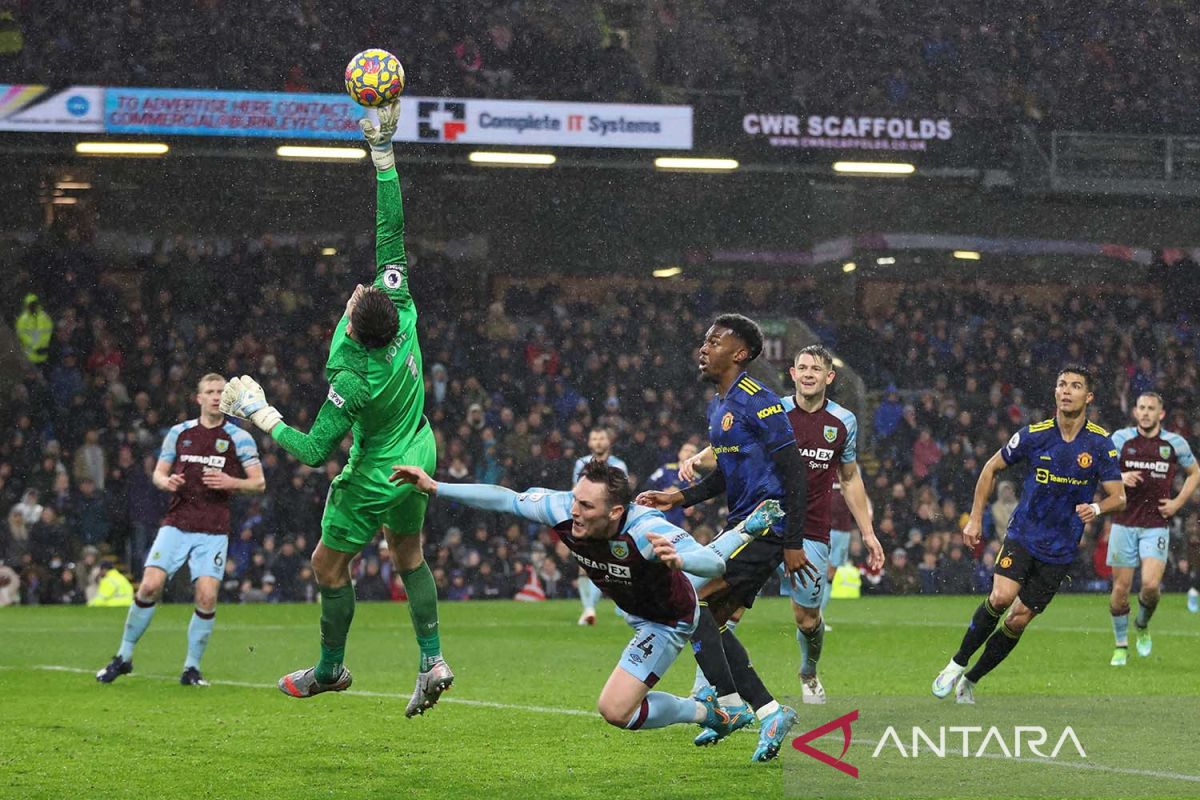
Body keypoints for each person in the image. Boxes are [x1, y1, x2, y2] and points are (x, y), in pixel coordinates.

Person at [220, 101, 450, 717]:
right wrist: (383, 155)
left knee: (326, 565)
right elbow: (391, 230)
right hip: (420, 447)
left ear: (353, 319)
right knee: (409, 556)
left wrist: (260, 413)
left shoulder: (353, 375)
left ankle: (329, 669)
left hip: (377, 470)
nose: (359, 287)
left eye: (357, 295)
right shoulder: (400, 312)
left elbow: (315, 450)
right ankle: (432, 658)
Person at [390, 459, 783, 737]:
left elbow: (713, 565)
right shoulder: (562, 507)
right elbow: (504, 498)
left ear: (614, 512)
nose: (574, 511)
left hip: (666, 620)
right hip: (633, 608)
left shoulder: (647, 529)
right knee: (618, 711)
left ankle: (709, 711)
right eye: (575, 500)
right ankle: (712, 712)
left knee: (614, 710)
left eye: (586, 506)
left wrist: (679, 558)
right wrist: (435, 486)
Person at [637, 313, 816, 762]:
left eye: (715, 342)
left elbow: (795, 472)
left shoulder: (760, 401)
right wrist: (680, 496)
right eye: (705, 340)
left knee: (689, 601)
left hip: (767, 527)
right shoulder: (719, 406)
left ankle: (732, 704)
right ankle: (768, 710)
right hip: (741, 527)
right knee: (708, 621)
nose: (704, 347)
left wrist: (792, 541)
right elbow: (730, 476)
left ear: (740, 354)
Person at [680, 344, 883, 707]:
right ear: (792, 374)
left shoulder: (843, 422)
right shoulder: (774, 410)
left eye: (815, 369)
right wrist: (700, 457)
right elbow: (733, 445)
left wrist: (867, 533)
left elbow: (849, 478)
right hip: (761, 523)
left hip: (810, 532)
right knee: (723, 605)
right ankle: (710, 685)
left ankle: (808, 670)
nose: (807, 374)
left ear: (829, 377)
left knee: (806, 618)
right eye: (801, 367)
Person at [932, 365, 1125, 704]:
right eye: (1061, 384)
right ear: (1055, 391)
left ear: (1088, 396)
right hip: (1024, 535)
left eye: (1075, 386)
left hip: (1062, 549)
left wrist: (1096, 510)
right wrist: (975, 519)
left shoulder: (1099, 443)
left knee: (1018, 620)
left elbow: (1119, 497)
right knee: (1001, 598)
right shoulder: (1034, 435)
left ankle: (971, 680)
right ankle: (956, 663)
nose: (1066, 390)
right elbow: (992, 467)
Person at [96, 374, 264, 686]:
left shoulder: (239, 438)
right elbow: (159, 474)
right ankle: (123, 657)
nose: (216, 397)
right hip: (177, 523)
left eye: (221, 392)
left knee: (206, 596)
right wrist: (166, 482)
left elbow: (258, 482)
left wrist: (232, 482)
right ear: (198, 398)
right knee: (148, 587)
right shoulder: (180, 433)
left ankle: (191, 668)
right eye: (210, 392)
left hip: (213, 530)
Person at [1106, 392, 1200, 665]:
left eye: (1151, 409)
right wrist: (1120, 476)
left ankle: (1142, 624)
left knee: (1150, 586)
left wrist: (1178, 502)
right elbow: (1100, 471)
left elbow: (1195, 472)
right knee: (1121, 590)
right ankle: (1121, 645)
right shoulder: (1120, 440)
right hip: (1123, 522)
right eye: (1142, 408)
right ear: (1135, 412)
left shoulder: (1173, 443)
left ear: (1161, 414)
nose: (1145, 413)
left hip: (1156, 524)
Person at [572, 427, 629, 626]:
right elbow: (576, 493)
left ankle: (621, 604)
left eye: (601, 438)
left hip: (610, 523)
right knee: (586, 566)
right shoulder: (581, 464)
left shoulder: (619, 465)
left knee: (608, 566)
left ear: (609, 441)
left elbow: (622, 495)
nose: (598, 442)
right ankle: (589, 608)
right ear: (589, 442)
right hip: (587, 522)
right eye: (594, 437)